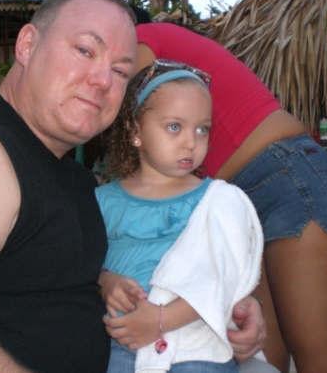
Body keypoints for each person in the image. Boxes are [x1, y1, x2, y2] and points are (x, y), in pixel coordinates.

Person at [0, 0, 265, 373]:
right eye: (85, 51)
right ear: (27, 45)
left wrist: (212, 310)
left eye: (120, 71)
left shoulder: (74, 180)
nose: (103, 80)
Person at [134, 22, 327, 373]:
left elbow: (125, 116)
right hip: (241, 199)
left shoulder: (140, 39)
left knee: (321, 356)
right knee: (257, 356)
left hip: (289, 177)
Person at [97, 61, 264, 373]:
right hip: (124, 339)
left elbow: (222, 277)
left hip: (196, 344)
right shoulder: (103, 201)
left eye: (202, 129)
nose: (191, 142)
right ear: (136, 131)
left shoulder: (217, 202)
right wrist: (106, 281)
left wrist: (161, 320)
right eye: (174, 127)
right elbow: (84, 265)